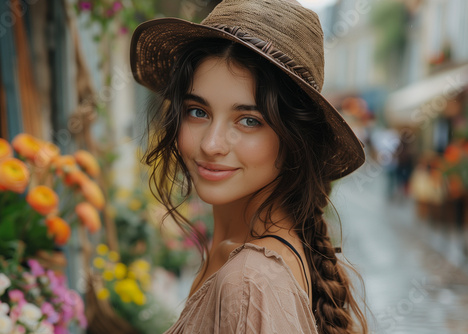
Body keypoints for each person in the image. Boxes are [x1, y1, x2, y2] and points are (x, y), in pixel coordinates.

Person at [130, 0, 368, 333]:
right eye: (198, 112)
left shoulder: (249, 282)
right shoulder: (238, 258)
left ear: (294, 141)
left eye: (248, 120)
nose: (211, 144)